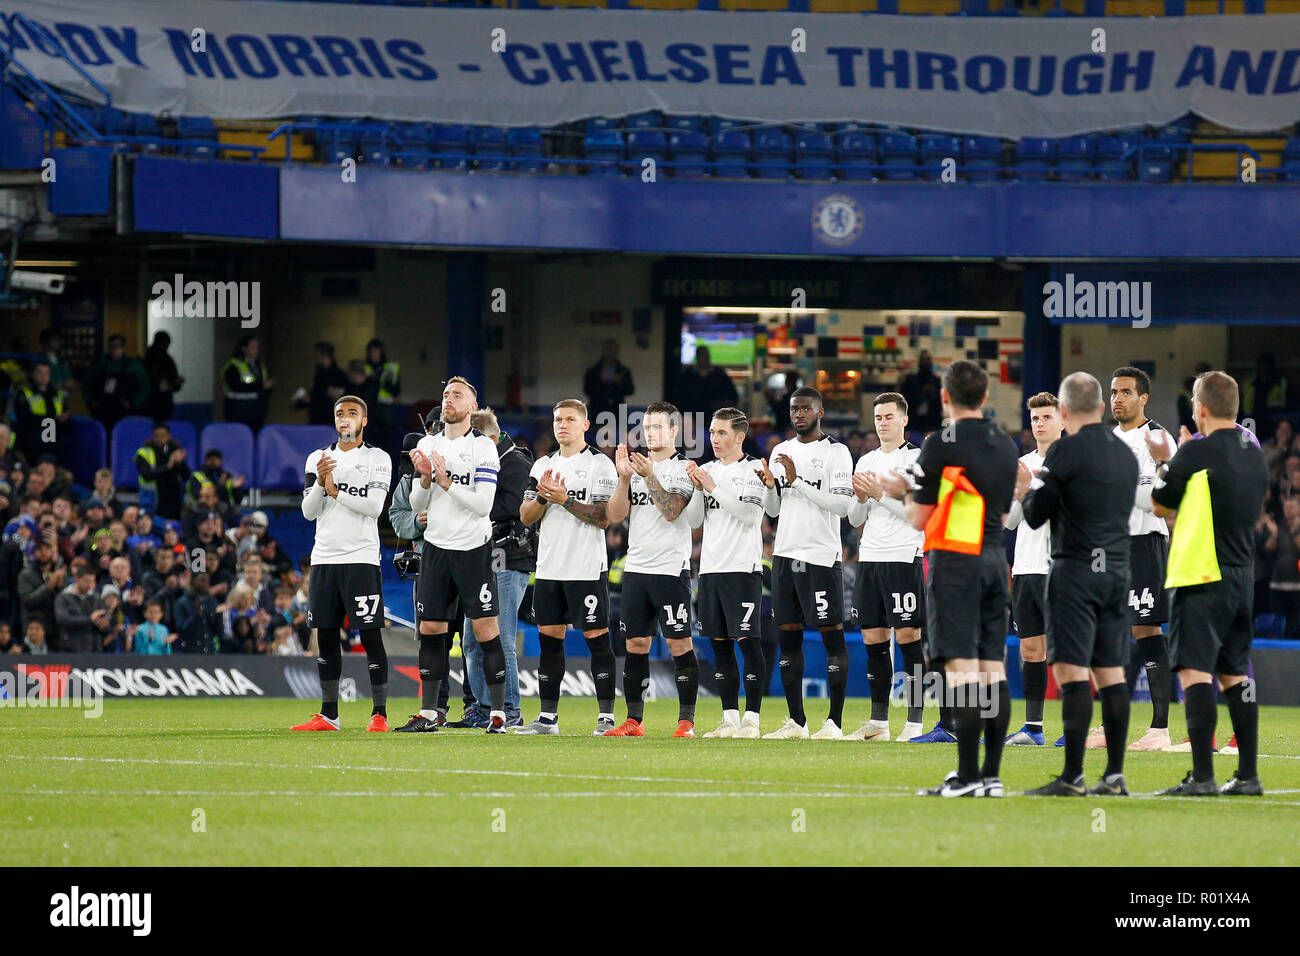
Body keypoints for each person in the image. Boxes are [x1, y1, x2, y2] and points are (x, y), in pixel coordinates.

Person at [880, 360, 1019, 797]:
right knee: (993, 669)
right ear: (985, 396)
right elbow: (999, 511)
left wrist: (897, 489)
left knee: (960, 670)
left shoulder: (940, 443)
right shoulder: (1006, 443)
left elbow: (919, 517)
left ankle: (966, 776)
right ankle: (991, 777)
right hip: (996, 559)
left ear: (944, 397)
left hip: (955, 562)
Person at [1150, 371, 1270, 796]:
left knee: (1196, 673)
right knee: (1236, 674)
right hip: (1242, 577)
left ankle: (1202, 777)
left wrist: (1169, 458)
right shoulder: (1255, 454)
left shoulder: (1194, 451)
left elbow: (1160, 502)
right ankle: (1249, 775)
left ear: (1200, 408)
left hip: (1200, 574)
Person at [1019, 373, 1139, 797]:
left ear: (1064, 412)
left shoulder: (1064, 451)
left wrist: (1028, 487)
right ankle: (1116, 775)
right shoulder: (1125, 454)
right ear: (1102, 408)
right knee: (1111, 674)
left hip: (1074, 571)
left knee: (1072, 673)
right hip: (1117, 571)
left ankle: (1072, 776)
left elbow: (1036, 514)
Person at [398, 378, 510, 733]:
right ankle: (430, 713)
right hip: (436, 548)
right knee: (431, 628)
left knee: (485, 629)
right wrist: (426, 479)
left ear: (472, 405)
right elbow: (417, 503)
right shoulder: (428, 443)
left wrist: (446, 482)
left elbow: (483, 505)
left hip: (472, 550)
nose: (449, 399)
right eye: (446, 394)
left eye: (457, 395)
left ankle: (498, 713)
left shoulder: (483, 448)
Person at [514, 399, 619, 735]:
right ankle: (547, 719)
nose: (562, 425)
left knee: (597, 639)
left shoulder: (600, 465)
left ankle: (606, 717)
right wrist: (544, 497)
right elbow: (525, 516)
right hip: (548, 568)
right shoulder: (542, 465)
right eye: (558, 419)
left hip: (586, 567)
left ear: (585, 425)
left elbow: (604, 518)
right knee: (549, 640)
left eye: (570, 419)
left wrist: (565, 500)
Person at [292, 395, 393, 732]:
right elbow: (308, 513)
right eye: (339, 414)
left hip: (361, 557)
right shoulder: (318, 459)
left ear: (363, 421)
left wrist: (336, 492)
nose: (345, 419)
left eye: (352, 413)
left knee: (369, 635)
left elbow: (375, 507)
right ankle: (329, 715)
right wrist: (321, 484)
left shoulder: (378, 458)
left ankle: (379, 714)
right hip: (324, 558)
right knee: (327, 634)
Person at [760, 387, 855, 740]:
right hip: (785, 553)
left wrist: (797, 480)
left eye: (805, 408)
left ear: (820, 411)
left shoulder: (837, 452)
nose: (798, 414)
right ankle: (796, 723)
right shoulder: (780, 450)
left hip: (820, 556)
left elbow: (842, 507)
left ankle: (834, 723)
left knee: (832, 638)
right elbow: (772, 510)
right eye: (793, 409)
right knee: (787, 639)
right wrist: (771, 486)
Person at [604, 402, 702, 738]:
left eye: (658, 427)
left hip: (670, 569)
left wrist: (648, 476)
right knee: (635, 645)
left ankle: (685, 722)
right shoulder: (635, 468)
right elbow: (615, 516)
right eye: (646, 428)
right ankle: (634, 720)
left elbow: (673, 510)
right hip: (637, 568)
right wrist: (623, 479)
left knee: (678, 644)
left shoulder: (685, 468)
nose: (651, 433)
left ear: (674, 431)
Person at [844, 392, 928, 742]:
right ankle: (878, 723)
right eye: (878, 417)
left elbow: (918, 518)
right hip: (871, 556)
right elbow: (853, 517)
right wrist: (862, 499)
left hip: (904, 555)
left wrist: (880, 494)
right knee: (872, 637)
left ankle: (915, 722)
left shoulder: (919, 459)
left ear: (904, 419)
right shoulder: (865, 461)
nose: (882, 422)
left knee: (909, 636)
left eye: (889, 416)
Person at [683, 407, 768, 739]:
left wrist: (712, 486)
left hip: (743, 568)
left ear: (739, 437)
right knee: (720, 646)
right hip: (711, 570)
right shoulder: (706, 471)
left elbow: (749, 516)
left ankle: (753, 719)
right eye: (712, 432)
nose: (714, 439)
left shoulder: (753, 470)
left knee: (748, 643)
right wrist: (698, 488)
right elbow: (693, 522)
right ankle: (729, 718)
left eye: (721, 433)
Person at [1107, 366, 1178, 752]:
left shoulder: (1159, 438)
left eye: (1126, 392)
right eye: (1114, 392)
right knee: (1114, 634)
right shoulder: (1107, 440)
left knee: (1146, 630)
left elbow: (1156, 500)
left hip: (1145, 544)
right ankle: (1109, 725)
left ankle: (1160, 730)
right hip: (1112, 549)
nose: (1118, 398)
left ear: (1143, 398)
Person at [457, 408, 532, 729]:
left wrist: (466, 507)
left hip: (510, 559)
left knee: (500, 636)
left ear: (489, 438)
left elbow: (515, 508)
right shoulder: (485, 462)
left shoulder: (516, 464)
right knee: (472, 639)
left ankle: (510, 708)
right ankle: (483, 707)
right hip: (481, 558)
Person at [1002, 392, 1063, 746]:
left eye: (1046, 417)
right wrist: (1020, 491)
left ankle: (1075, 728)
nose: (1039, 424)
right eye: (1035, 418)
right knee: (1030, 650)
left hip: (1060, 568)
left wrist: (1031, 491)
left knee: (1068, 652)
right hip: (1025, 566)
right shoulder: (1021, 463)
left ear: (1063, 420)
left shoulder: (1073, 461)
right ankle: (1034, 728)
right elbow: (1010, 523)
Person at [85, 335, 150, 432]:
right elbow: (87, 386)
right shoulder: (100, 364)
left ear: (123, 348)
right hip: (102, 410)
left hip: (125, 412)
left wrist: (133, 404)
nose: (114, 349)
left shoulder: (133, 365)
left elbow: (145, 388)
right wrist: (91, 403)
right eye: (111, 346)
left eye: (117, 346)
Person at [11, 360, 69, 466]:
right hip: (31, 442)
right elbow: (25, 417)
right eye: (40, 372)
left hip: (53, 442)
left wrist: (64, 417)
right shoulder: (24, 392)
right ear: (33, 374)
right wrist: (53, 418)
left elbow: (65, 413)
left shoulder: (57, 394)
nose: (43, 376)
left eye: (46, 373)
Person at [134, 422, 190, 520]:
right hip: (153, 501)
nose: (159, 439)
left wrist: (179, 463)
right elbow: (147, 475)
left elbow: (186, 476)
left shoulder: (174, 450)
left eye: (163, 436)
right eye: (156, 436)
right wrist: (169, 465)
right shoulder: (144, 452)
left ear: (169, 436)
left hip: (174, 501)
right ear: (152, 436)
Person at [17, 538, 65, 641]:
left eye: (47, 549)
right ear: (34, 553)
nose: (43, 552)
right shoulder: (26, 574)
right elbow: (27, 601)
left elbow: (65, 602)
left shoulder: (59, 573)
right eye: (39, 549)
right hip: (34, 629)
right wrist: (48, 587)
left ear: (52, 552)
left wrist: (60, 586)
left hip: (55, 629)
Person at [222, 335, 272, 431]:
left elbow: (263, 384)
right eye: (252, 347)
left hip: (257, 410)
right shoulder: (233, 366)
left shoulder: (259, 365)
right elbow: (236, 386)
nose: (255, 350)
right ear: (244, 349)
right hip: (238, 409)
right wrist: (260, 386)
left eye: (257, 348)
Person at [53, 567, 110, 653]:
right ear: (76, 579)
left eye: (92, 581)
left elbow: (106, 622)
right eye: (86, 581)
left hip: (94, 651)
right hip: (70, 651)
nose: (90, 585)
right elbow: (62, 619)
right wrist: (89, 620)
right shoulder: (63, 597)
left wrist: (104, 625)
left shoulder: (96, 598)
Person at [583, 339, 635, 426]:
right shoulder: (593, 371)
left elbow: (630, 390)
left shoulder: (623, 371)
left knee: (618, 438)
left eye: (613, 350)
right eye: (608, 349)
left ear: (616, 351)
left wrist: (619, 383)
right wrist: (601, 381)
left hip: (618, 412)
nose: (610, 353)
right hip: (598, 410)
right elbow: (587, 390)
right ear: (603, 351)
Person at [296, 342, 348, 426]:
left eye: (317, 354)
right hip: (316, 417)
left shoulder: (338, 375)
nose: (315, 357)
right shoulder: (319, 373)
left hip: (328, 419)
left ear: (324, 356)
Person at [1242, 352, 1289, 441]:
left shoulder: (1281, 383)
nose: (1264, 368)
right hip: (1251, 418)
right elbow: (1244, 402)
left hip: (1273, 420)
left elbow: (1286, 403)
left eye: (1267, 365)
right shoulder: (1251, 383)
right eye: (1262, 365)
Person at [143, 331, 184, 421]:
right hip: (151, 401)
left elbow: (173, 380)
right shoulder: (149, 359)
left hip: (163, 401)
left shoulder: (167, 360)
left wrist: (175, 383)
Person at [899, 350, 942, 436]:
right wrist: (921, 395)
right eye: (924, 360)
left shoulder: (936, 382)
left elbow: (940, 404)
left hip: (932, 421)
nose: (926, 363)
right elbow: (903, 402)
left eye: (927, 360)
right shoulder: (910, 380)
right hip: (913, 421)